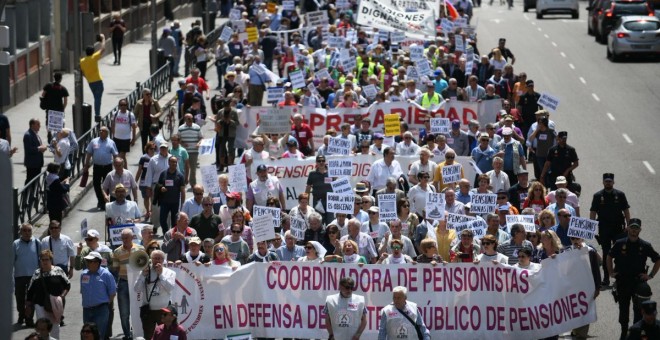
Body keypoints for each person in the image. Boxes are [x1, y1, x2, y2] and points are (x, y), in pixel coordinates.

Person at [607, 218, 660, 339]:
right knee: (623, 311)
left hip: (638, 283)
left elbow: (657, 259)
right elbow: (609, 256)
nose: (634, 230)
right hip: (623, 282)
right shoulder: (619, 243)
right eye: (632, 227)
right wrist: (610, 272)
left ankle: (636, 334)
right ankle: (624, 332)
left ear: (640, 230)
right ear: (628, 228)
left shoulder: (645, 245)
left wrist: (650, 275)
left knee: (639, 311)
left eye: (636, 228)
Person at [591, 172, 631, 286]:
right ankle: (606, 277)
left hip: (619, 228)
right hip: (604, 228)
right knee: (606, 253)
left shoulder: (620, 194)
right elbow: (593, 211)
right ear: (603, 182)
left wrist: (628, 225)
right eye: (606, 181)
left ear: (613, 182)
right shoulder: (598, 196)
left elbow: (626, 210)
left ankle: (619, 275)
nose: (608, 183)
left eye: (610, 181)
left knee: (620, 252)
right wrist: (592, 227)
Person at [26, 249, 70, 339]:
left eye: (47, 259)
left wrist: (62, 297)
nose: (45, 262)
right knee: (42, 326)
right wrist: (28, 306)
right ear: (40, 261)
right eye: (43, 260)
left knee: (55, 327)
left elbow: (67, 285)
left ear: (51, 260)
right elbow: (30, 291)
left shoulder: (58, 270)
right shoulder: (37, 273)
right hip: (40, 304)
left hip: (55, 305)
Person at [134, 249, 177, 340]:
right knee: (148, 335)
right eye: (154, 258)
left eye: (159, 258)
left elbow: (170, 288)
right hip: (148, 310)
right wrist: (142, 276)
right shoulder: (145, 271)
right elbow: (136, 289)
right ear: (151, 259)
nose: (157, 260)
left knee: (165, 335)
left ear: (163, 260)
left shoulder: (170, 272)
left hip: (164, 310)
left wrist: (161, 275)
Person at [564, 235, 601, 340]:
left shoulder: (590, 251)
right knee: (574, 310)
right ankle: (575, 331)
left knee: (585, 310)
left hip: (587, 287)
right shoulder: (567, 251)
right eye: (572, 239)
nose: (575, 241)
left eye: (577, 238)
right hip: (572, 287)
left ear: (582, 239)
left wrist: (598, 287)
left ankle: (582, 335)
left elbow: (595, 270)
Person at [111, 228, 143, 340]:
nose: (124, 240)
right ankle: (127, 335)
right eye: (123, 238)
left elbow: (144, 265)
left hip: (138, 283)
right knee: (124, 312)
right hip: (123, 283)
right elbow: (115, 269)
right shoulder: (116, 252)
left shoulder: (140, 249)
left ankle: (138, 332)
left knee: (138, 309)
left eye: (126, 238)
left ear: (132, 237)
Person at [80, 251, 116, 340]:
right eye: (87, 261)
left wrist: (106, 305)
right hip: (87, 310)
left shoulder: (106, 274)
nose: (87, 263)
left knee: (99, 335)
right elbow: (82, 291)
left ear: (97, 262)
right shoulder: (83, 274)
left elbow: (112, 292)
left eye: (89, 261)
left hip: (101, 310)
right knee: (87, 336)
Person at [84, 126, 119, 210]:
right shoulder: (94, 141)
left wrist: (117, 167)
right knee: (96, 184)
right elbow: (89, 153)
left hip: (107, 166)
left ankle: (106, 200)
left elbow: (115, 155)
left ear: (107, 133)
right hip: (97, 167)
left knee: (107, 185)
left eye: (102, 131)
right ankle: (101, 200)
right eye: (100, 130)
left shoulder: (111, 142)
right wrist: (86, 165)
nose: (100, 132)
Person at [14, 224, 42, 328]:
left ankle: (29, 318)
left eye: (29, 230)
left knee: (31, 299)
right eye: (24, 230)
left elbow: (41, 258)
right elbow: (12, 260)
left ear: (31, 231)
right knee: (20, 298)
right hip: (19, 276)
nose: (27, 232)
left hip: (33, 276)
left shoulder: (36, 242)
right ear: (21, 232)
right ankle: (21, 315)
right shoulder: (15, 244)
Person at [157, 156, 186, 232]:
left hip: (175, 203)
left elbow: (182, 191)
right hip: (164, 202)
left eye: (175, 162)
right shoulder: (163, 174)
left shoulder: (180, 176)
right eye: (172, 162)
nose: (174, 163)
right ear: (168, 162)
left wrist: (182, 203)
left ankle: (173, 236)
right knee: (162, 220)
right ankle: (166, 234)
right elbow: (158, 185)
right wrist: (161, 188)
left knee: (174, 222)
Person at [80, 34, 106, 118]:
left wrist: (87, 77)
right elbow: (103, 49)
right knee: (98, 99)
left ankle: (97, 113)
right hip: (98, 81)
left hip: (90, 82)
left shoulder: (82, 61)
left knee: (96, 98)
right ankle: (97, 114)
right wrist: (103, 39)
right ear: (92, 52)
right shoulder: (94, 57)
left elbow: (81, 72)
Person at [40, 72, 69, 141]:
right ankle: (59, 135)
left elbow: (43, 95)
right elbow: (65, 101)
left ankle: (49, 133)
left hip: (49, 108)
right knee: (60, 123)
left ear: (54, 77)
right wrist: (63, 108)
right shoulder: (63, 88)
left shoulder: (48, 85)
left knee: (48, 121)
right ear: (60, 79)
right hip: (59, 109)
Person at [178, 114, 203, 186]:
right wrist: (182, 143)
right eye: (189, 118)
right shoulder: (181, 128)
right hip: (184, 152)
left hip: (194, 151)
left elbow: (201, 137)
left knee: (193, 169)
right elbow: (178, 139)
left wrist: (199, 143)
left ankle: (193, 184)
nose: (190, 120)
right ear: (185, 119)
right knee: (184, 168)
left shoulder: (197, 127)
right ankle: (183, 183)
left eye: (192, 118)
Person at [23, 118, 47, 185]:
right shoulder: (28, 135)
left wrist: (42, 148)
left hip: (38, 163)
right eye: (38, 124)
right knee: (30, 181)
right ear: (32, 125)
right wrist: (39, 148)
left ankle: (34, 194)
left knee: (36, 181)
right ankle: (26, 194)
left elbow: (38, 145)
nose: (40, 126)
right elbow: (29, 149)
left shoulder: (36, 134)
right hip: (32, 164)